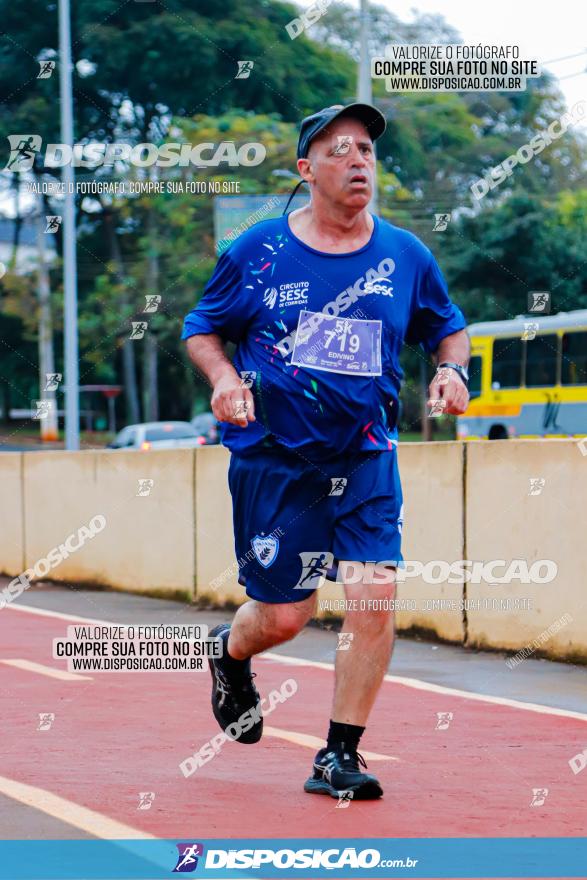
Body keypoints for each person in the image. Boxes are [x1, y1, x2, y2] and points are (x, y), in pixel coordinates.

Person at [182, 103, 470, 800]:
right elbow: (201, 327)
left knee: (373, 593)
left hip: (366, 453)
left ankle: (337, 755)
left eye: (366, 149)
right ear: (307, 170)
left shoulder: (404, 255)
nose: (358, 160)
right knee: (286, 615)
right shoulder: (258, 250)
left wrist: (451, 369)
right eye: (339, 150)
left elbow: (447, 327)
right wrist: (222, 380)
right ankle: (228, 652)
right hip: (275, 459)